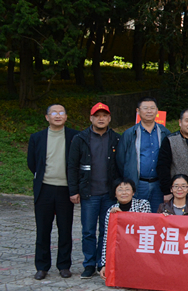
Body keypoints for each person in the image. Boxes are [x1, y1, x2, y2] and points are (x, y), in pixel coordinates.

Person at [68, 102, 121, 279]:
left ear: (109, 118)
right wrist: (73, 190)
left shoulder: (116, 139)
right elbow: (72, 166)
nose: (101, 119)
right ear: (91, 118)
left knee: (106, 231)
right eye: (97, 116)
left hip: (109, 194)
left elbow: (120, 165)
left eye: (104, 116)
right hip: (89, 193)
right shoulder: (80, 138)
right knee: (88, 231)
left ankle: (102, 262)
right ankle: (89, 264)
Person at [28, 103, 78, 280]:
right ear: (47, 117)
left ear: (66, 117)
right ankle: (42, 266)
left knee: (65, 229)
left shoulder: (75, 136)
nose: (58, 115)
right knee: (43, 229)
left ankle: (64, 265)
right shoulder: (37, 137)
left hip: (66, 189)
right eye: (54, 113)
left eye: (61, 112)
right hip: (45, 188)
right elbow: (32, 163)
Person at [117, 97, 170, 212]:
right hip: (137, 183)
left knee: (157, 216)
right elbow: (121, 160)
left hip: (158, 184)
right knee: (137, 217)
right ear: (138, 111)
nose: (149, 111)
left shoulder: (164, 132)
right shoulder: (130, 133)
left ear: (157, 111)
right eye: (145, 108)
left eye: (152, 108)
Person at [97, 178, 151, 279]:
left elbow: (143, 226)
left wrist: (122, 216)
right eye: (120, 190)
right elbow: (107, 239)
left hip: (139, 251)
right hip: (121, 251)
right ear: (115, 194)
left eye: (127, 189)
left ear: (133, 192)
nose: (124, 193)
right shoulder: (111, 210)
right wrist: (104, 264)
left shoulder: (143, 204)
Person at [157, 108, 188, 207]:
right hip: (176, 193)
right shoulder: (170, 140)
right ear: (180, 122)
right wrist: (167, 191)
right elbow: (163, 167)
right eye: (187, 120)